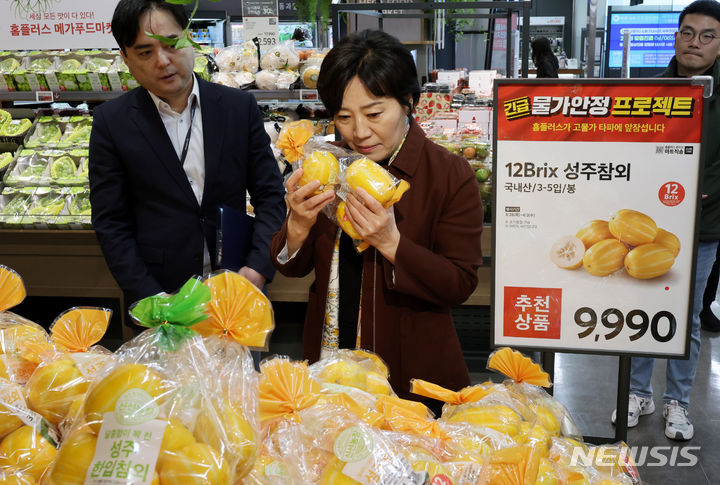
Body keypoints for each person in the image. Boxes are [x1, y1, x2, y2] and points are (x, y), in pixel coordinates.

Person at [269, 30, 484, 408]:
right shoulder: (327, 163)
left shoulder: (449, 173)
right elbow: (290, 267)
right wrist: (298, 225)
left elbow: (460, 283)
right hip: (330, 358)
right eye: (344, 117)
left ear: (408, 102)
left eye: (374, 113)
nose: (360, 132)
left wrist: (391, 243)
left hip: (411, 368)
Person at [90, 0, 286, 333]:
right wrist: (151, 296)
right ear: (125, 58)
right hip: (160, 300)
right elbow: (111, 223)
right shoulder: (113, 122)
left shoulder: (238, 108)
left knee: (237, 384)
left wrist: (257, 269)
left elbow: (270, 196)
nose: (163, 61)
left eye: (171, 44)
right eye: (145, 52)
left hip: (235, 292)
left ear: (189, 38)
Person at [612, 0, 720, 440]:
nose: (695, 43)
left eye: (707, 35)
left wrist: (702, 193)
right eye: (687, 32)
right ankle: (638, 392)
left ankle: (678, 400)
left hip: (703, 227)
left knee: (687, 316)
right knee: (643, 309)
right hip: (648, 227)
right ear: (676, 37)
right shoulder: (652, 92)